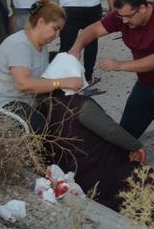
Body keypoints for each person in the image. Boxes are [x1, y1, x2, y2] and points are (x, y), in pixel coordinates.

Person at [36, 53, 146, 212]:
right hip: (104, 168)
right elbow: (110, 130)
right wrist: (136, 146)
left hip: (77, 175)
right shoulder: (79, 105)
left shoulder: (43, 105)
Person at [72, 0, 154, 144]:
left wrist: (119, 65)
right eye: (120, 16)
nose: (123, 21)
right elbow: (94, 30)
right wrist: (76, 48)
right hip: (145, 85)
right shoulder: (123, 15)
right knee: (124, 136)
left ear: (143, 9)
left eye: (128, 17)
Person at [0, 0, 81, 127]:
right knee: (36, 126)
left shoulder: (42, 46)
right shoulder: (19, 45)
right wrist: (62, 82)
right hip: (0, 105)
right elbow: (23, 83)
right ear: (41, 22)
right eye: (55, 29)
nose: (58, 35)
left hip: (24, 103)